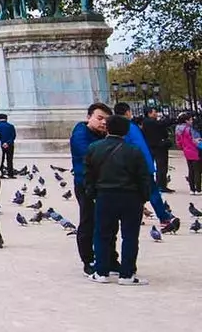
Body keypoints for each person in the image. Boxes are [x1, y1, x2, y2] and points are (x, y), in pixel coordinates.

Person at [86, 114, 152, 284]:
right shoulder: (134, 151)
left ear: (107, 128)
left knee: (102, 234)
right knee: (129, 236)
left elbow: (89, 176)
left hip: (105, 196)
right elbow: (144, 177)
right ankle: (127, 274)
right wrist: (143, 197)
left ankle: (101, 272)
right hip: (130, 197)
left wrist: (92, 195)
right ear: (127, 130)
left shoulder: (94, 148)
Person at [113, 102, 179, 231]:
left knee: (139, 193)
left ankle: (134, 215)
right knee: (153, 192)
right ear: (127, 112)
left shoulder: (125, 127)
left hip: (139, 164)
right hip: (141, 165)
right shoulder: (128, 127)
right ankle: (163, 217)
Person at [71, 102, 113, 277]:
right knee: (88, 221)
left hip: (104, 184)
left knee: (107, 223)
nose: (103, 123)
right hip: (86, 184)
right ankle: (88, 260)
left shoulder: (103, 136)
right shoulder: (80, 134)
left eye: (107, 120)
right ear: (89, 117)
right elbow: (90, 154)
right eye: (100, 118)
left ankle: (109, 258)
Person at [136, 106, 176, 193]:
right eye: (154, 112)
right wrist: (168, 118)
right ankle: (161, 185)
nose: (156, 114)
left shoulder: (145, 122)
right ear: (149, 113)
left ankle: (160, 184)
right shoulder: (150, 122)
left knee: (159, 166)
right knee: (161, 167)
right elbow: (163, 124)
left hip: (152, 146)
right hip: (159, 146)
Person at [176, 112, 200, 195]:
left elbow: (178, 142)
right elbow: (194, 140)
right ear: (186, 121)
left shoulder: (178, 129)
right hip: (194, 150)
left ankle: (192, 189)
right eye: (190, 119)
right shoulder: (189, 129)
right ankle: (198, 189)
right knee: (197, 170)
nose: (192, 121)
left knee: (191, 170)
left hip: (186, 150)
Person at [0, 113, 17, 177]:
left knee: (1, 159)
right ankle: (10, 174)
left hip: (0, 145)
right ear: (6, 118)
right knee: (9, 159)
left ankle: (0, 173)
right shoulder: (11, 126)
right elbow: (13, 136)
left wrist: (2, 143)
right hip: (10, 145)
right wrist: (7, 143)